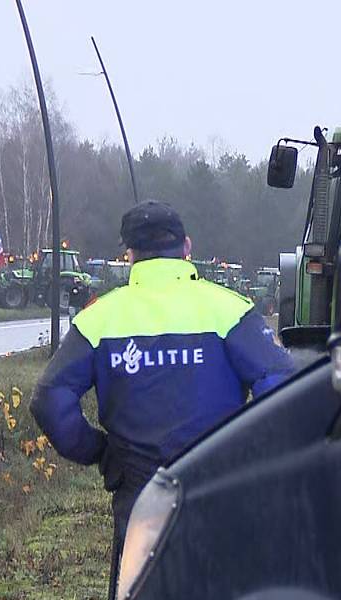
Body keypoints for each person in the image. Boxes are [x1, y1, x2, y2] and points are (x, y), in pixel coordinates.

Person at [32, 200, 294, 542]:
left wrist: (100, 452)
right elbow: (280, 387)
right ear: (186, 246)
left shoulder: (98, 319)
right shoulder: (231, 311)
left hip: (139, 491)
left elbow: (49, 400)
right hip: (220, 484)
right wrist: (247, 454)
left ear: (130, 254)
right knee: (222, 591)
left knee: (142, 589)